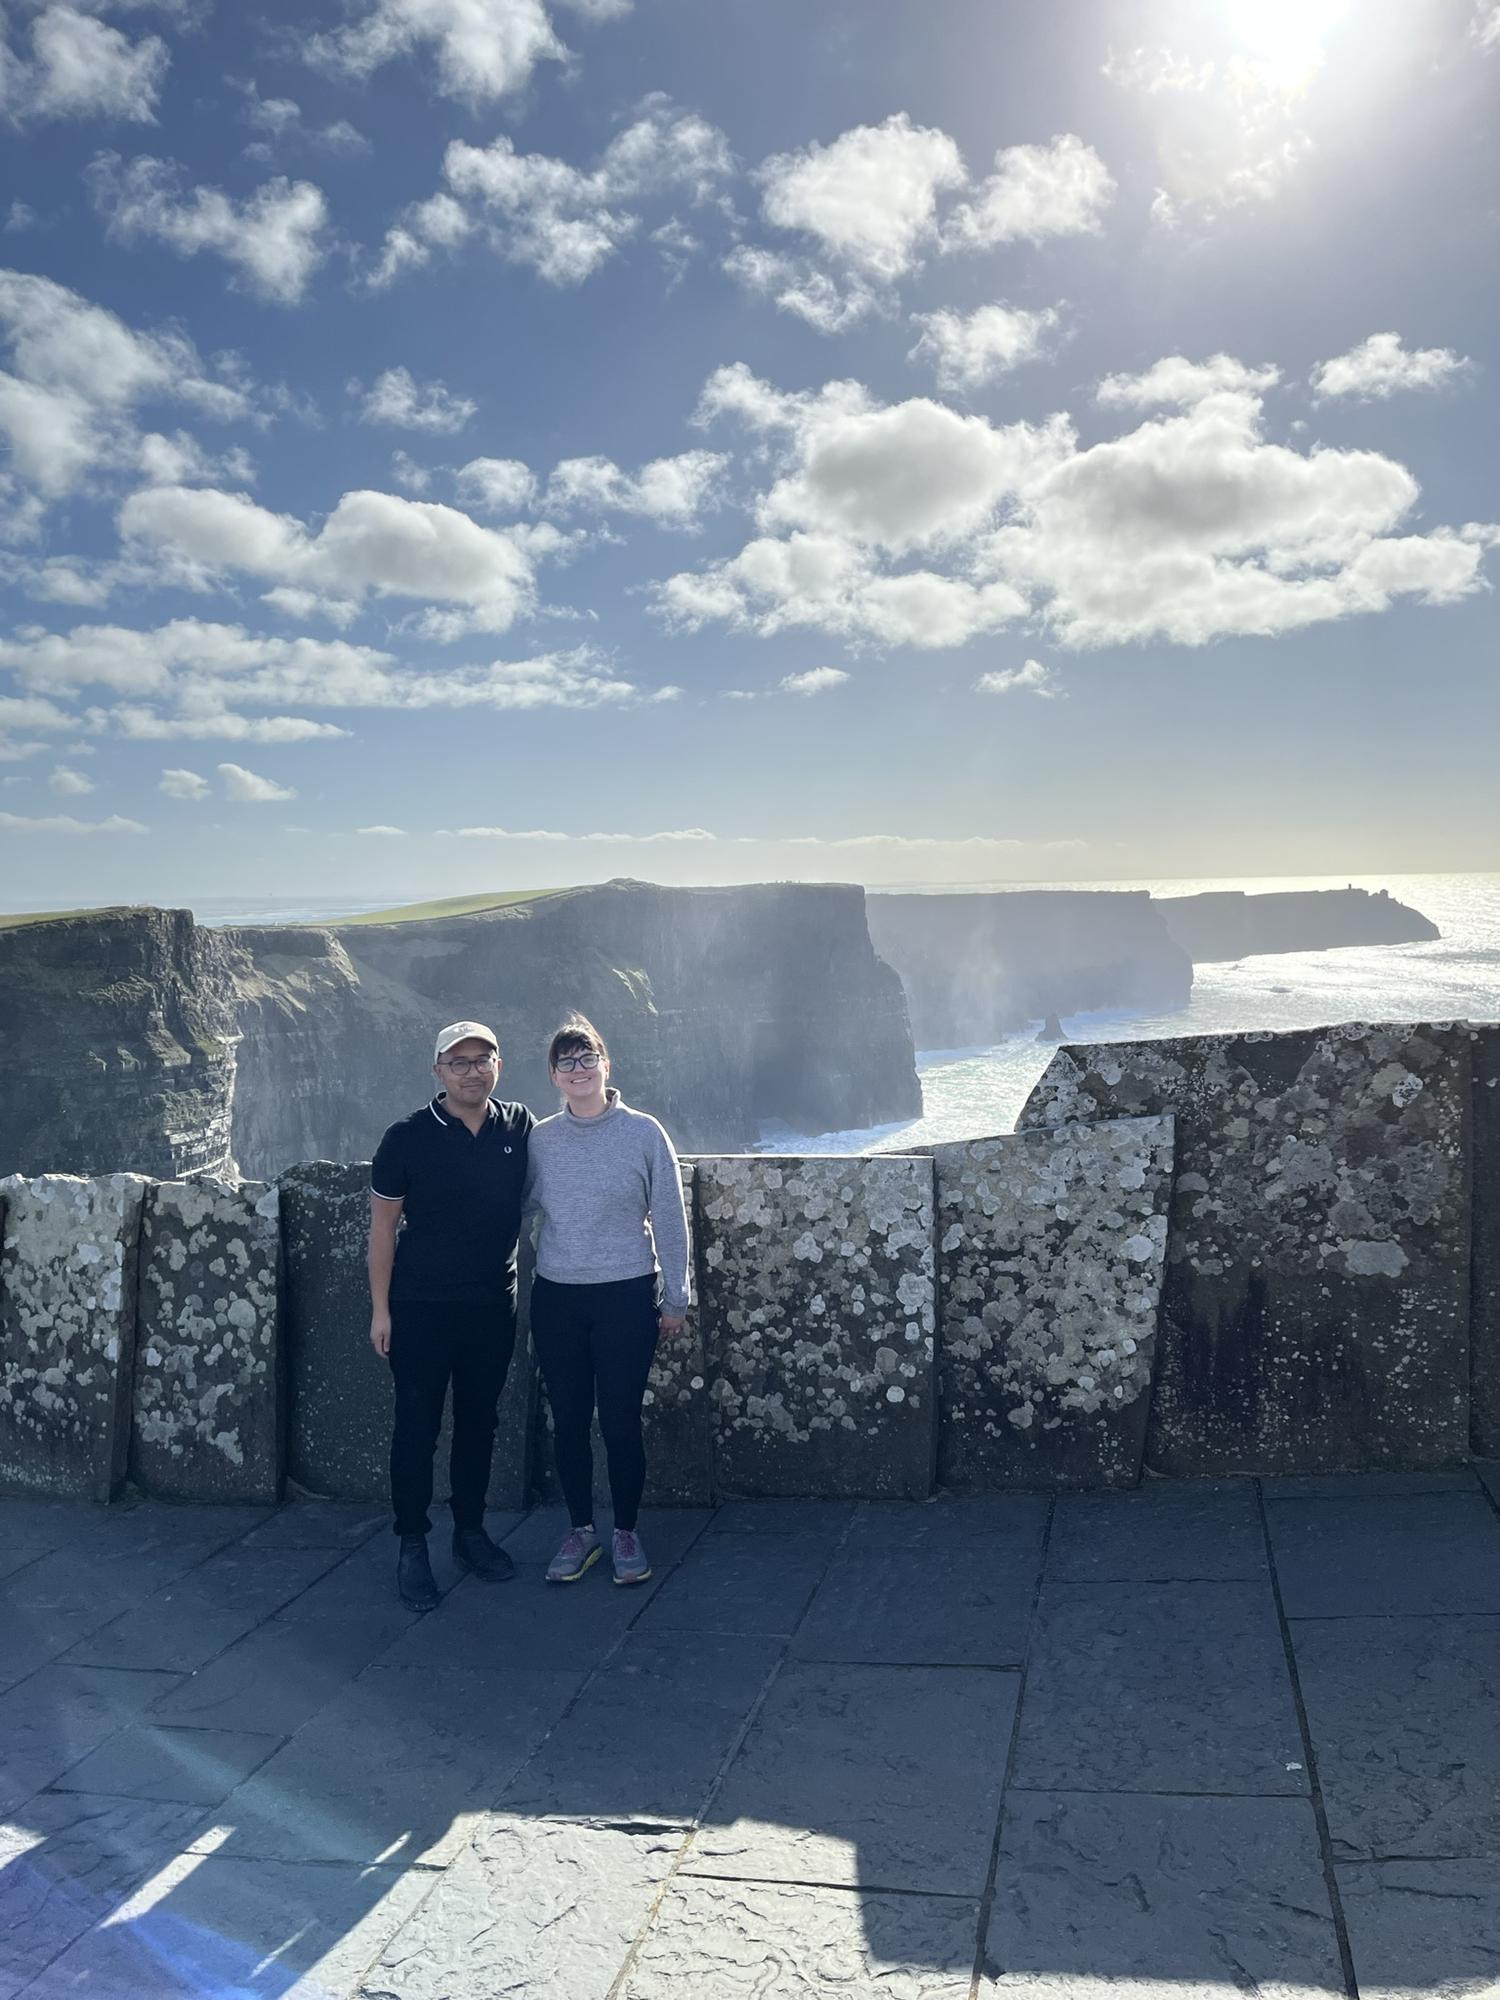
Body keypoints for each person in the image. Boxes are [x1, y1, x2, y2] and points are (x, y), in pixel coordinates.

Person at [368, 1021, 535, 1612]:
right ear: (437, 1071)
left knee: (479, 1423)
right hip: (420, 1308)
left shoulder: (519, 1126)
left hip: (493, 1303)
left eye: (482, 1058)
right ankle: (412, 1543)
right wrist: (380, 1311)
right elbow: (383, 1228)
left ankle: (471, 1531)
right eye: (458, 1061)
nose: (471, 1070)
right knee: (416, 1427)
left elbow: (559, 1184)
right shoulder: (406, 1137)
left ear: (499, 1065)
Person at [524, 1014, 690, 1586]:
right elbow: (511, 1208)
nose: (578, 1069)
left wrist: (676, 1297)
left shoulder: (644, 1133)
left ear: (606, 1064)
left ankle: (625, 1531)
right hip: (558, 1298)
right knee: (568, 1420)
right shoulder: (540, 1140)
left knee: (619, 1420)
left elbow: (669, 1215)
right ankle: (580, 1530)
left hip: (625, 1296)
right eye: (566, 1061)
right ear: (553, 1075)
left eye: (587, 1057)